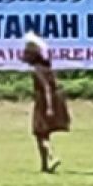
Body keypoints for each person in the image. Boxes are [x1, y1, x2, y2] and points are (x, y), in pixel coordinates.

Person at [22, 32, 71, 173]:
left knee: (40, 132)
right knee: (42, 133)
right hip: (46, 101)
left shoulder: (38, 70)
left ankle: (51, 156)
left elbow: (47, 88)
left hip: (43, 103)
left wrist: (49, 107)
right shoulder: (47, 68)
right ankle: (44, 165)